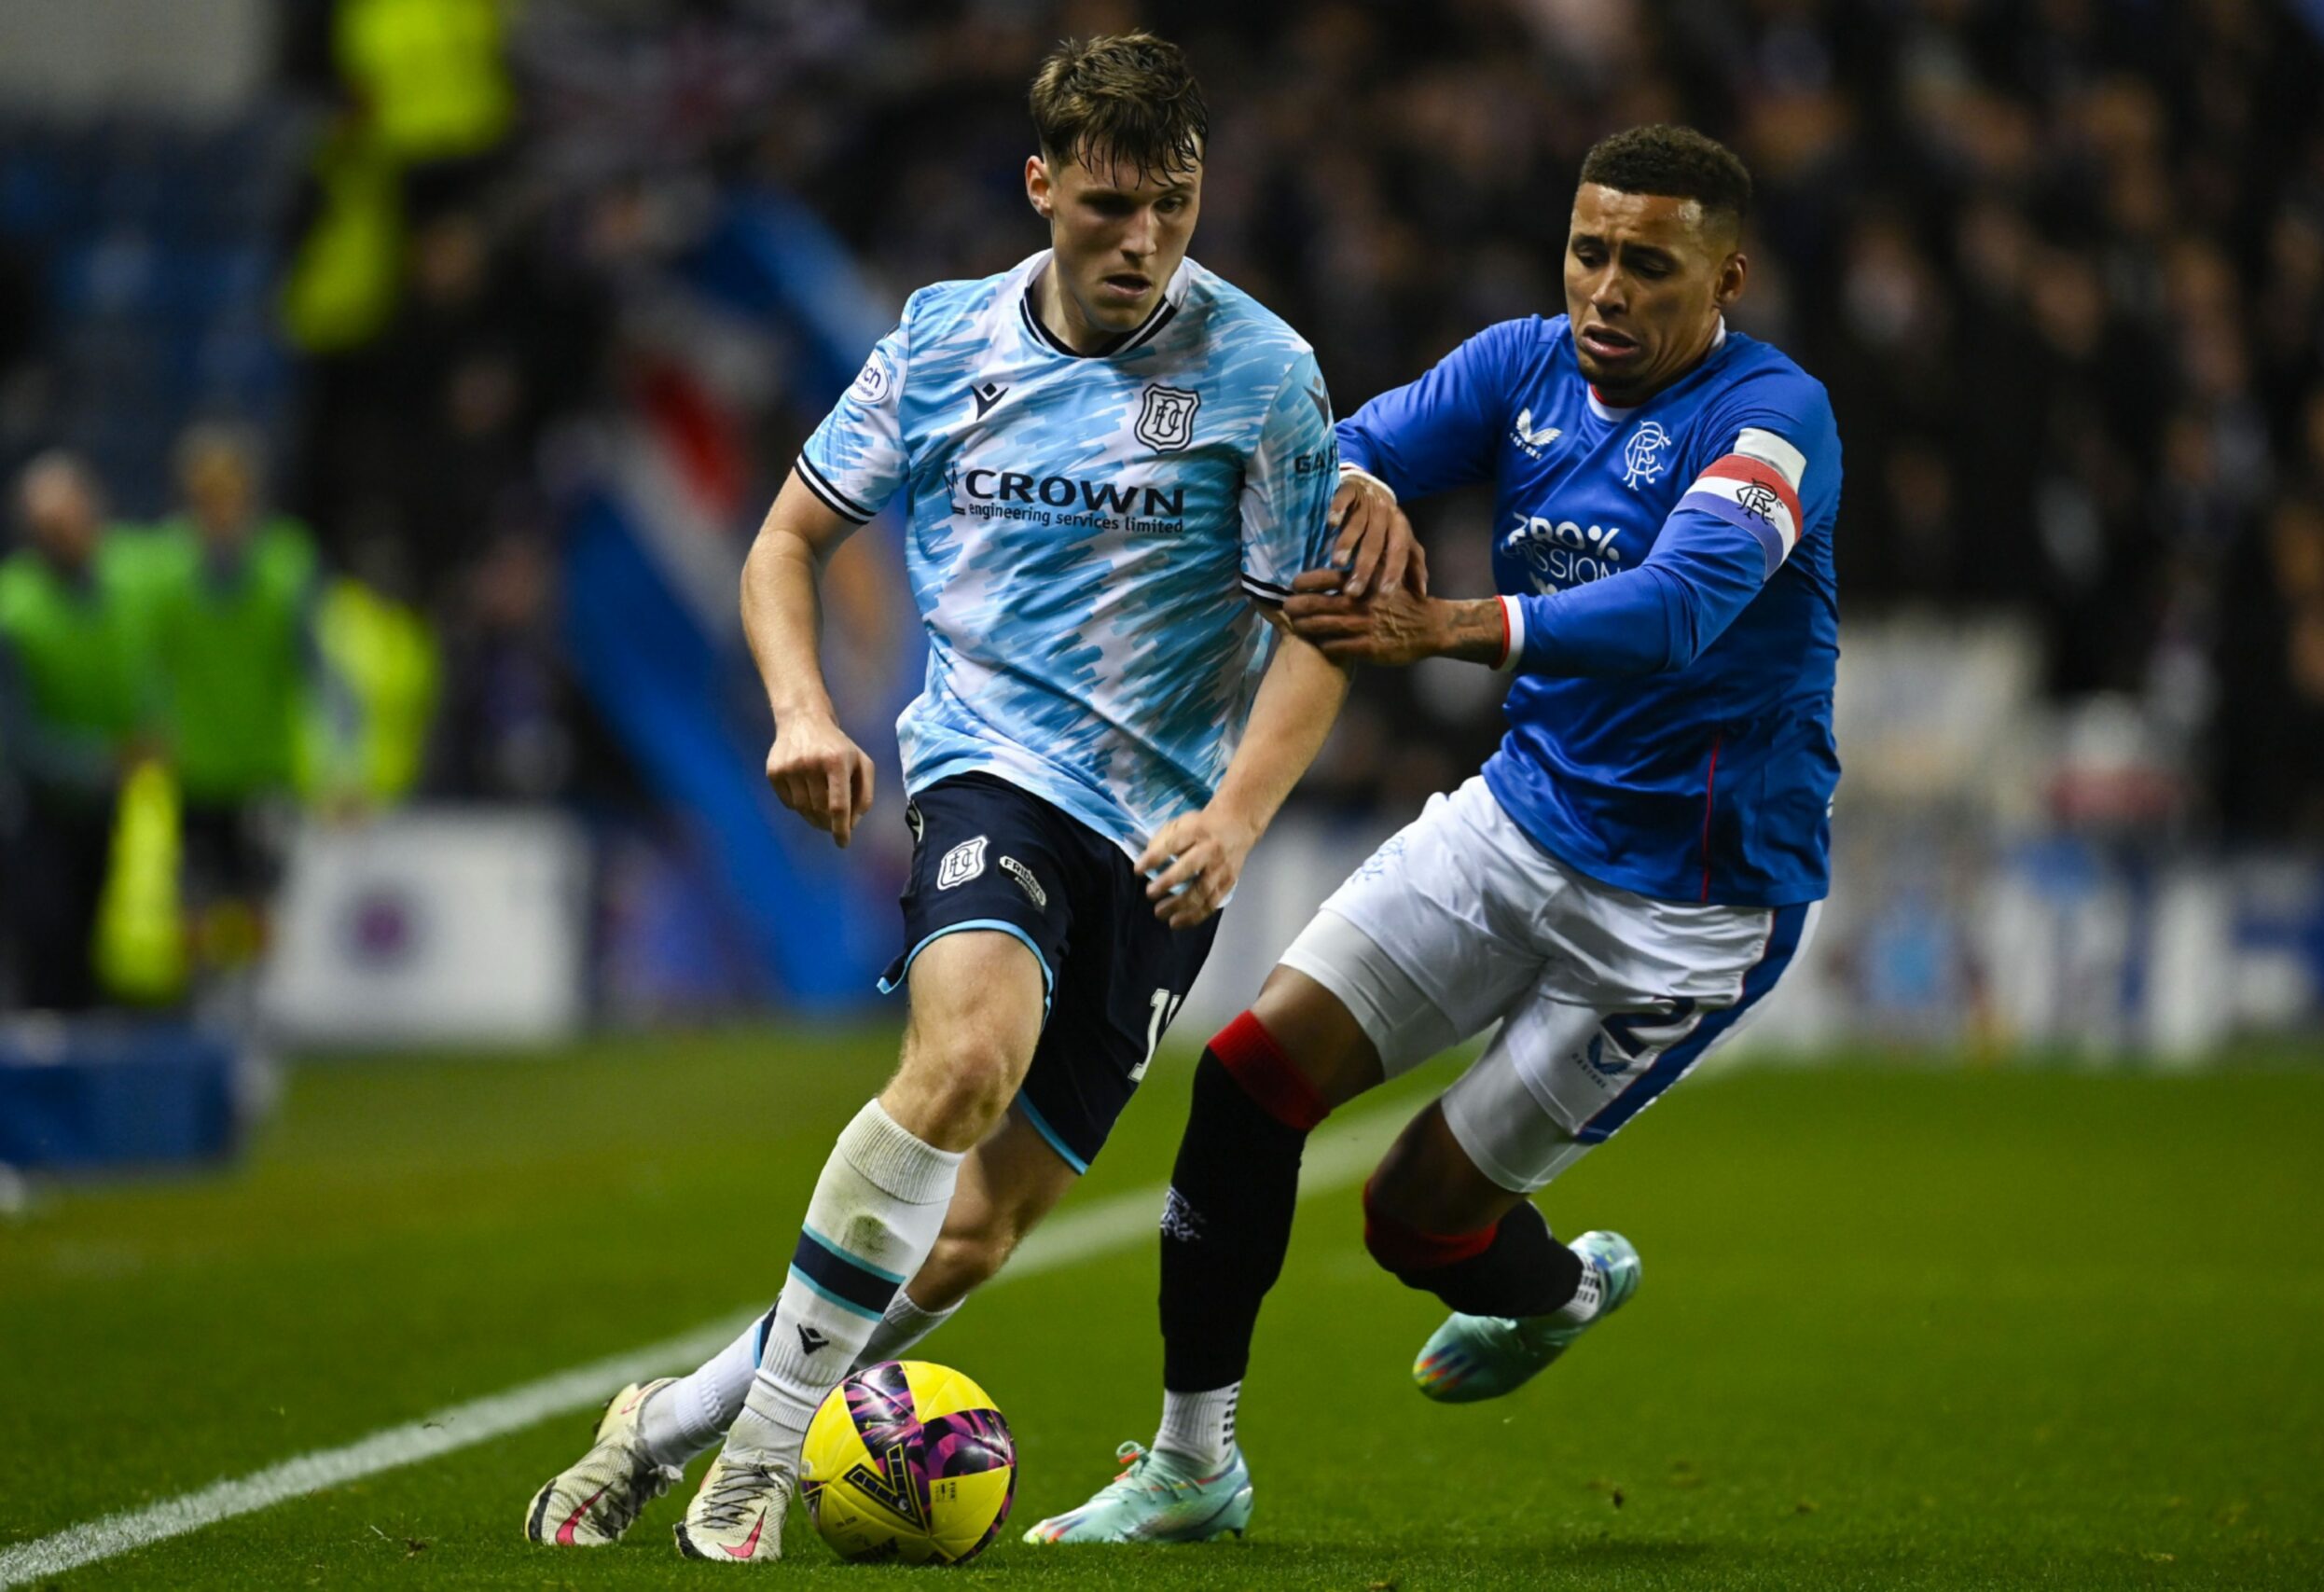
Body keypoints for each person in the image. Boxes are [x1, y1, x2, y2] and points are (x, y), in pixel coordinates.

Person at [520, 33, 1416, 1562]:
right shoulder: (944, 340)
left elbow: (1318, 637)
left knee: (978, 1230)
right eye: (1112, 207)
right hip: (989, 771)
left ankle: (664, 1421)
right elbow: (782, 543)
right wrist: (803, 711)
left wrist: (1240, 819)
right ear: (1042, 184)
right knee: (966, 1059)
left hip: (1165, 840)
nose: (1143, 243)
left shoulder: (1260, 372)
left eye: (1175, 209)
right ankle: (754, 1458)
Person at [1024, 124, 1843, 1545]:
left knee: (1414, 1224)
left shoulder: (1774, 419)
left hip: (1688, 908)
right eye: (1589, 250)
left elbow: (1676, 610)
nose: (1606, 288)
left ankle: (1565, 1288)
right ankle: (1191, 1465)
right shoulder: (1519, 367)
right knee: (1245, 1081)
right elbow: (1331, 445)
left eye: (1650, 263)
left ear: (1728, 276)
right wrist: (1364, 483)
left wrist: (1443, 623)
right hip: (1518, 822)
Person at [145, 422, 340, 973]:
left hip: (264, 765)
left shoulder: (286, 564)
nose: (220, 509)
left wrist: (340, 760)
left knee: (263, 902)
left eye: (230, 493)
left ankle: (258, 1014)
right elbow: (144, 663)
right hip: (195, 766)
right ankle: (196, 1010)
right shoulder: (162, 569)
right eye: (207, 495)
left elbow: (320, 669)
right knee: (192, 905)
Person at [0, 453, 153, 1009]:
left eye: (72, 518)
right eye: (48, 527)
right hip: (37, 818)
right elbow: (14, 740)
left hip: (122, 813)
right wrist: (98, 763)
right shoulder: (12, 610)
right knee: (48, 960)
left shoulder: (130, 587)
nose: (64, 535)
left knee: (116, 967)